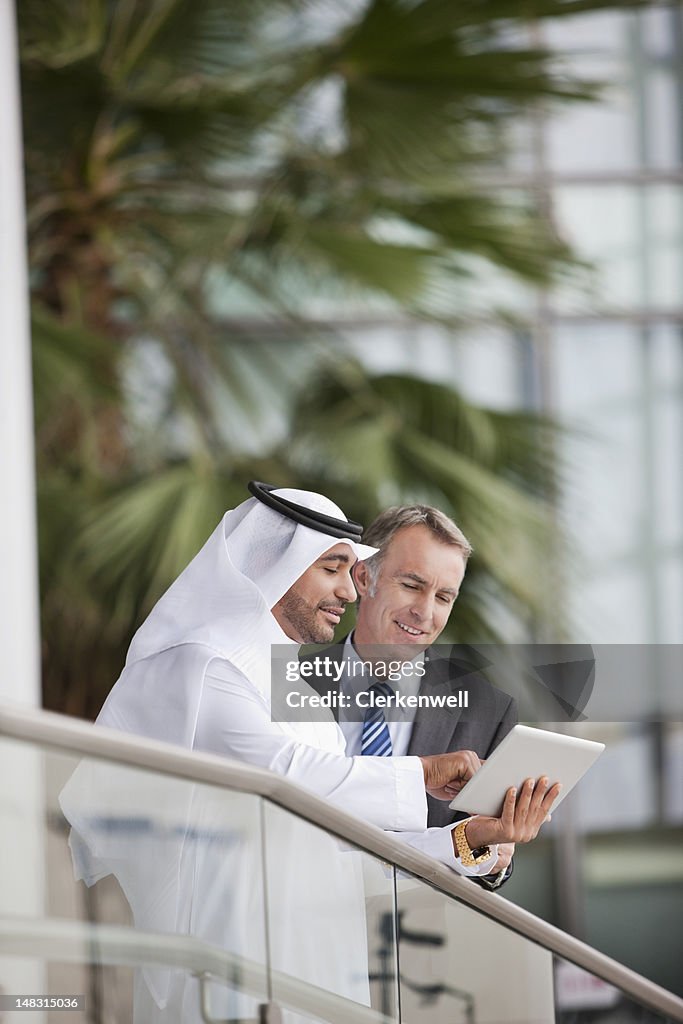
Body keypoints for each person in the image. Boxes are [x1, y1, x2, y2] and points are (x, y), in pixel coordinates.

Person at [61, 484, 557, 1021]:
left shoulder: (292, 685)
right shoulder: (204, 666)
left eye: (350, 571)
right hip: (228, 977)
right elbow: (286, 777)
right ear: (274, 563)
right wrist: (422, 775)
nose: (349, 591)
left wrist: (468, 839)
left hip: (317, 979)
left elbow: (336, 856)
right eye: (332, 568)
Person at [302, 505, 529, 890]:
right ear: (363, 577)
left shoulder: (488, 711)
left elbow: (487, 863)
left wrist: (494, 859)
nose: (425, 612)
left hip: (420, 934)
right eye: (411, 585)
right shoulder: (292, 682)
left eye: (443, 597)